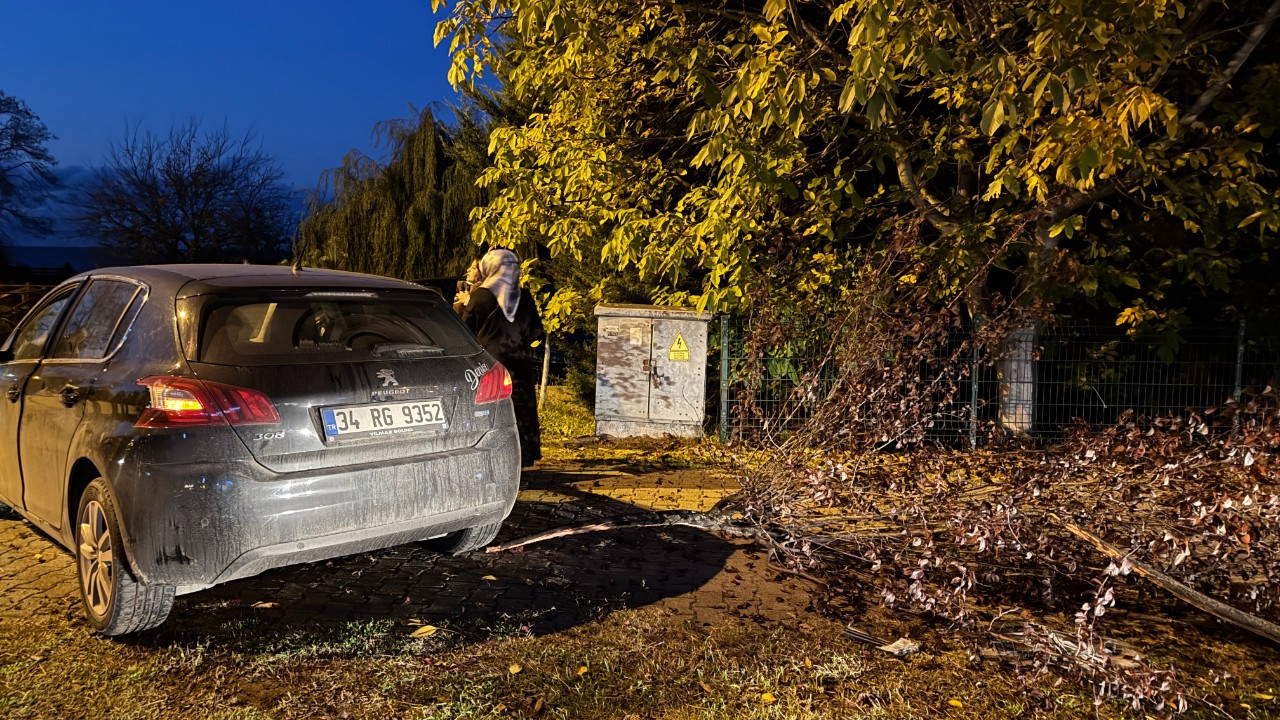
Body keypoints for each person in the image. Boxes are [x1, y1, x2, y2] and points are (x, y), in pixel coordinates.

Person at [460, 248, 544, 467]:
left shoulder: (480, 296)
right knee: (521, 408)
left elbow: (465, 329)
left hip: (490, 364)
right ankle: (523, 455)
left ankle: (495, 454)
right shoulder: (523, 295)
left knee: (493, 410)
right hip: (519, 361)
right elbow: (536, 329)